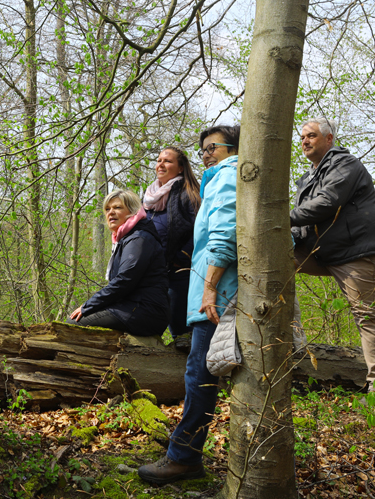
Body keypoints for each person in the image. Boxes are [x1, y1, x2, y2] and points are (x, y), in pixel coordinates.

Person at [138, 124, 240, 484]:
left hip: (218, 296)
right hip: (213, 293)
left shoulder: (228, 175)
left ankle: (183, 459)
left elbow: (224, 234)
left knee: (199, 376)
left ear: (232, 148)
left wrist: (208, 289)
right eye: (203, 150)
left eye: (212, 147)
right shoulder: (220, 178)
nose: (206, 154)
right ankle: (184, 453)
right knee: (200, 374)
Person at [291, 118, 375, 396]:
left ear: (329, 139)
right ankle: (287, 346)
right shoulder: (306, 177)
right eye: (302, 137)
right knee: (273, 260)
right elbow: (302, 219)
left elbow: (327, 202)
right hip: (321, 252)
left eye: (311, 136)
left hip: (354, 251)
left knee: (366, 316)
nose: (305, 141)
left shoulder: (345, 164)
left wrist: (282, 217)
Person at [68, 189, 170, 336]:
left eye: (117, 207)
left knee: (72, 325)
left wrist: (87, 306)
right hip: (133, 308)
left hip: (144, 311)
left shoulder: (139, 239)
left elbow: (124, 281)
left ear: (133, 211)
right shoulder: (126, 239)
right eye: (107, 209)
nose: (111, 212)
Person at [143, 146, 201, 353]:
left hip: (179, 271)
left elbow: (199, 229)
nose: (161, 164)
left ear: (180, 167)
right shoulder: (149, 197)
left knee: (181, 329)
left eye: (167, 161)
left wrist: (181, 258)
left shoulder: (189, 193)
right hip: (155, 271)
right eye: (159, 160)